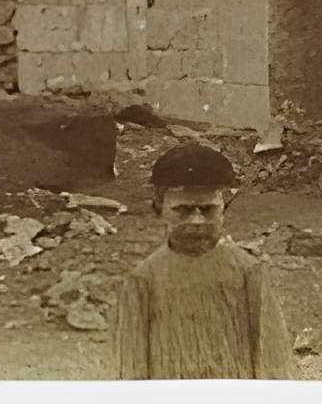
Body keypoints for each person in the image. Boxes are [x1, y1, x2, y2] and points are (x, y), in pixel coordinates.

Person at [110, 142, 293, 379]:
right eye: (183, 210)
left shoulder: (248, 272)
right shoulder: (144, 280)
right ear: (158, 208)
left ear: (224, 208)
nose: (197, 221)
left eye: (207, 210)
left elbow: (273, 359)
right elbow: (131, 365)